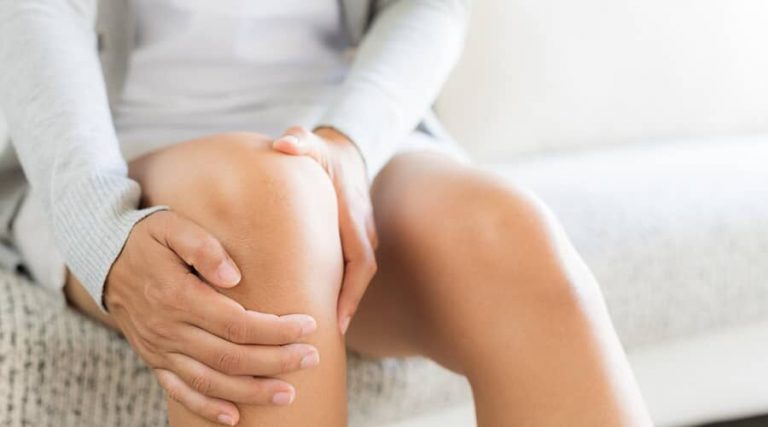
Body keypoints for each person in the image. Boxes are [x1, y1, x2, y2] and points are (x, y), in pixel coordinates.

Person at [0, 0, 654, 426]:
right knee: (268, 212)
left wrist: (351, 142)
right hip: (106, 150)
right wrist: (97, 226)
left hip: (338, 129)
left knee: (513, 241)